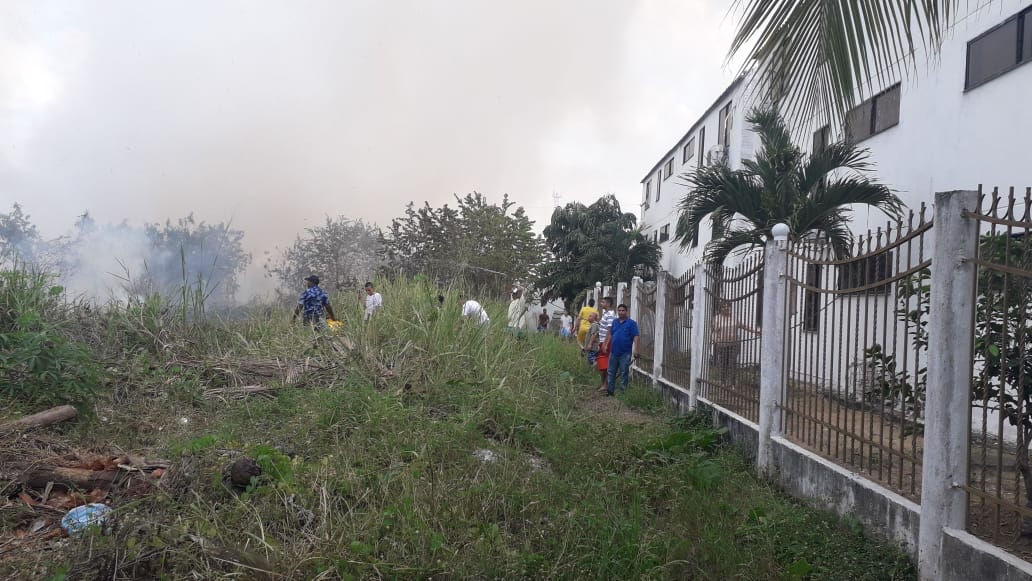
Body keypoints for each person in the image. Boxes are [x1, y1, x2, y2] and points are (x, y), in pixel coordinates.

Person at [711, 301, 760, 373]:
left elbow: (743, 326)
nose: (726, 308)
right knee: (723, 364)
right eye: (724, 306)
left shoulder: (733, 319)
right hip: (722, 345)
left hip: (734, 345)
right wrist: (714, 338)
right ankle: (723, 381)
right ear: (720, 309)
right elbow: (713, 330)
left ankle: (732, 382)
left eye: (728, 306)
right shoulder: (717, 318)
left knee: (732, 363)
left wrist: (755, 331)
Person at [606, 304, 639, 396]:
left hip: (625, 353)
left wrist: (636, 349)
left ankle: (622, 392)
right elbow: (611, 334)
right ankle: (610, 391)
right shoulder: (615, 322)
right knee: (611, 372)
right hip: (614, 352)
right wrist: (606, 345)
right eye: (619, 310)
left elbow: (636, 336)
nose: (621, 312)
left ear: (626, 312)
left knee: (624, 372)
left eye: (623, 310)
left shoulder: (631, 323)